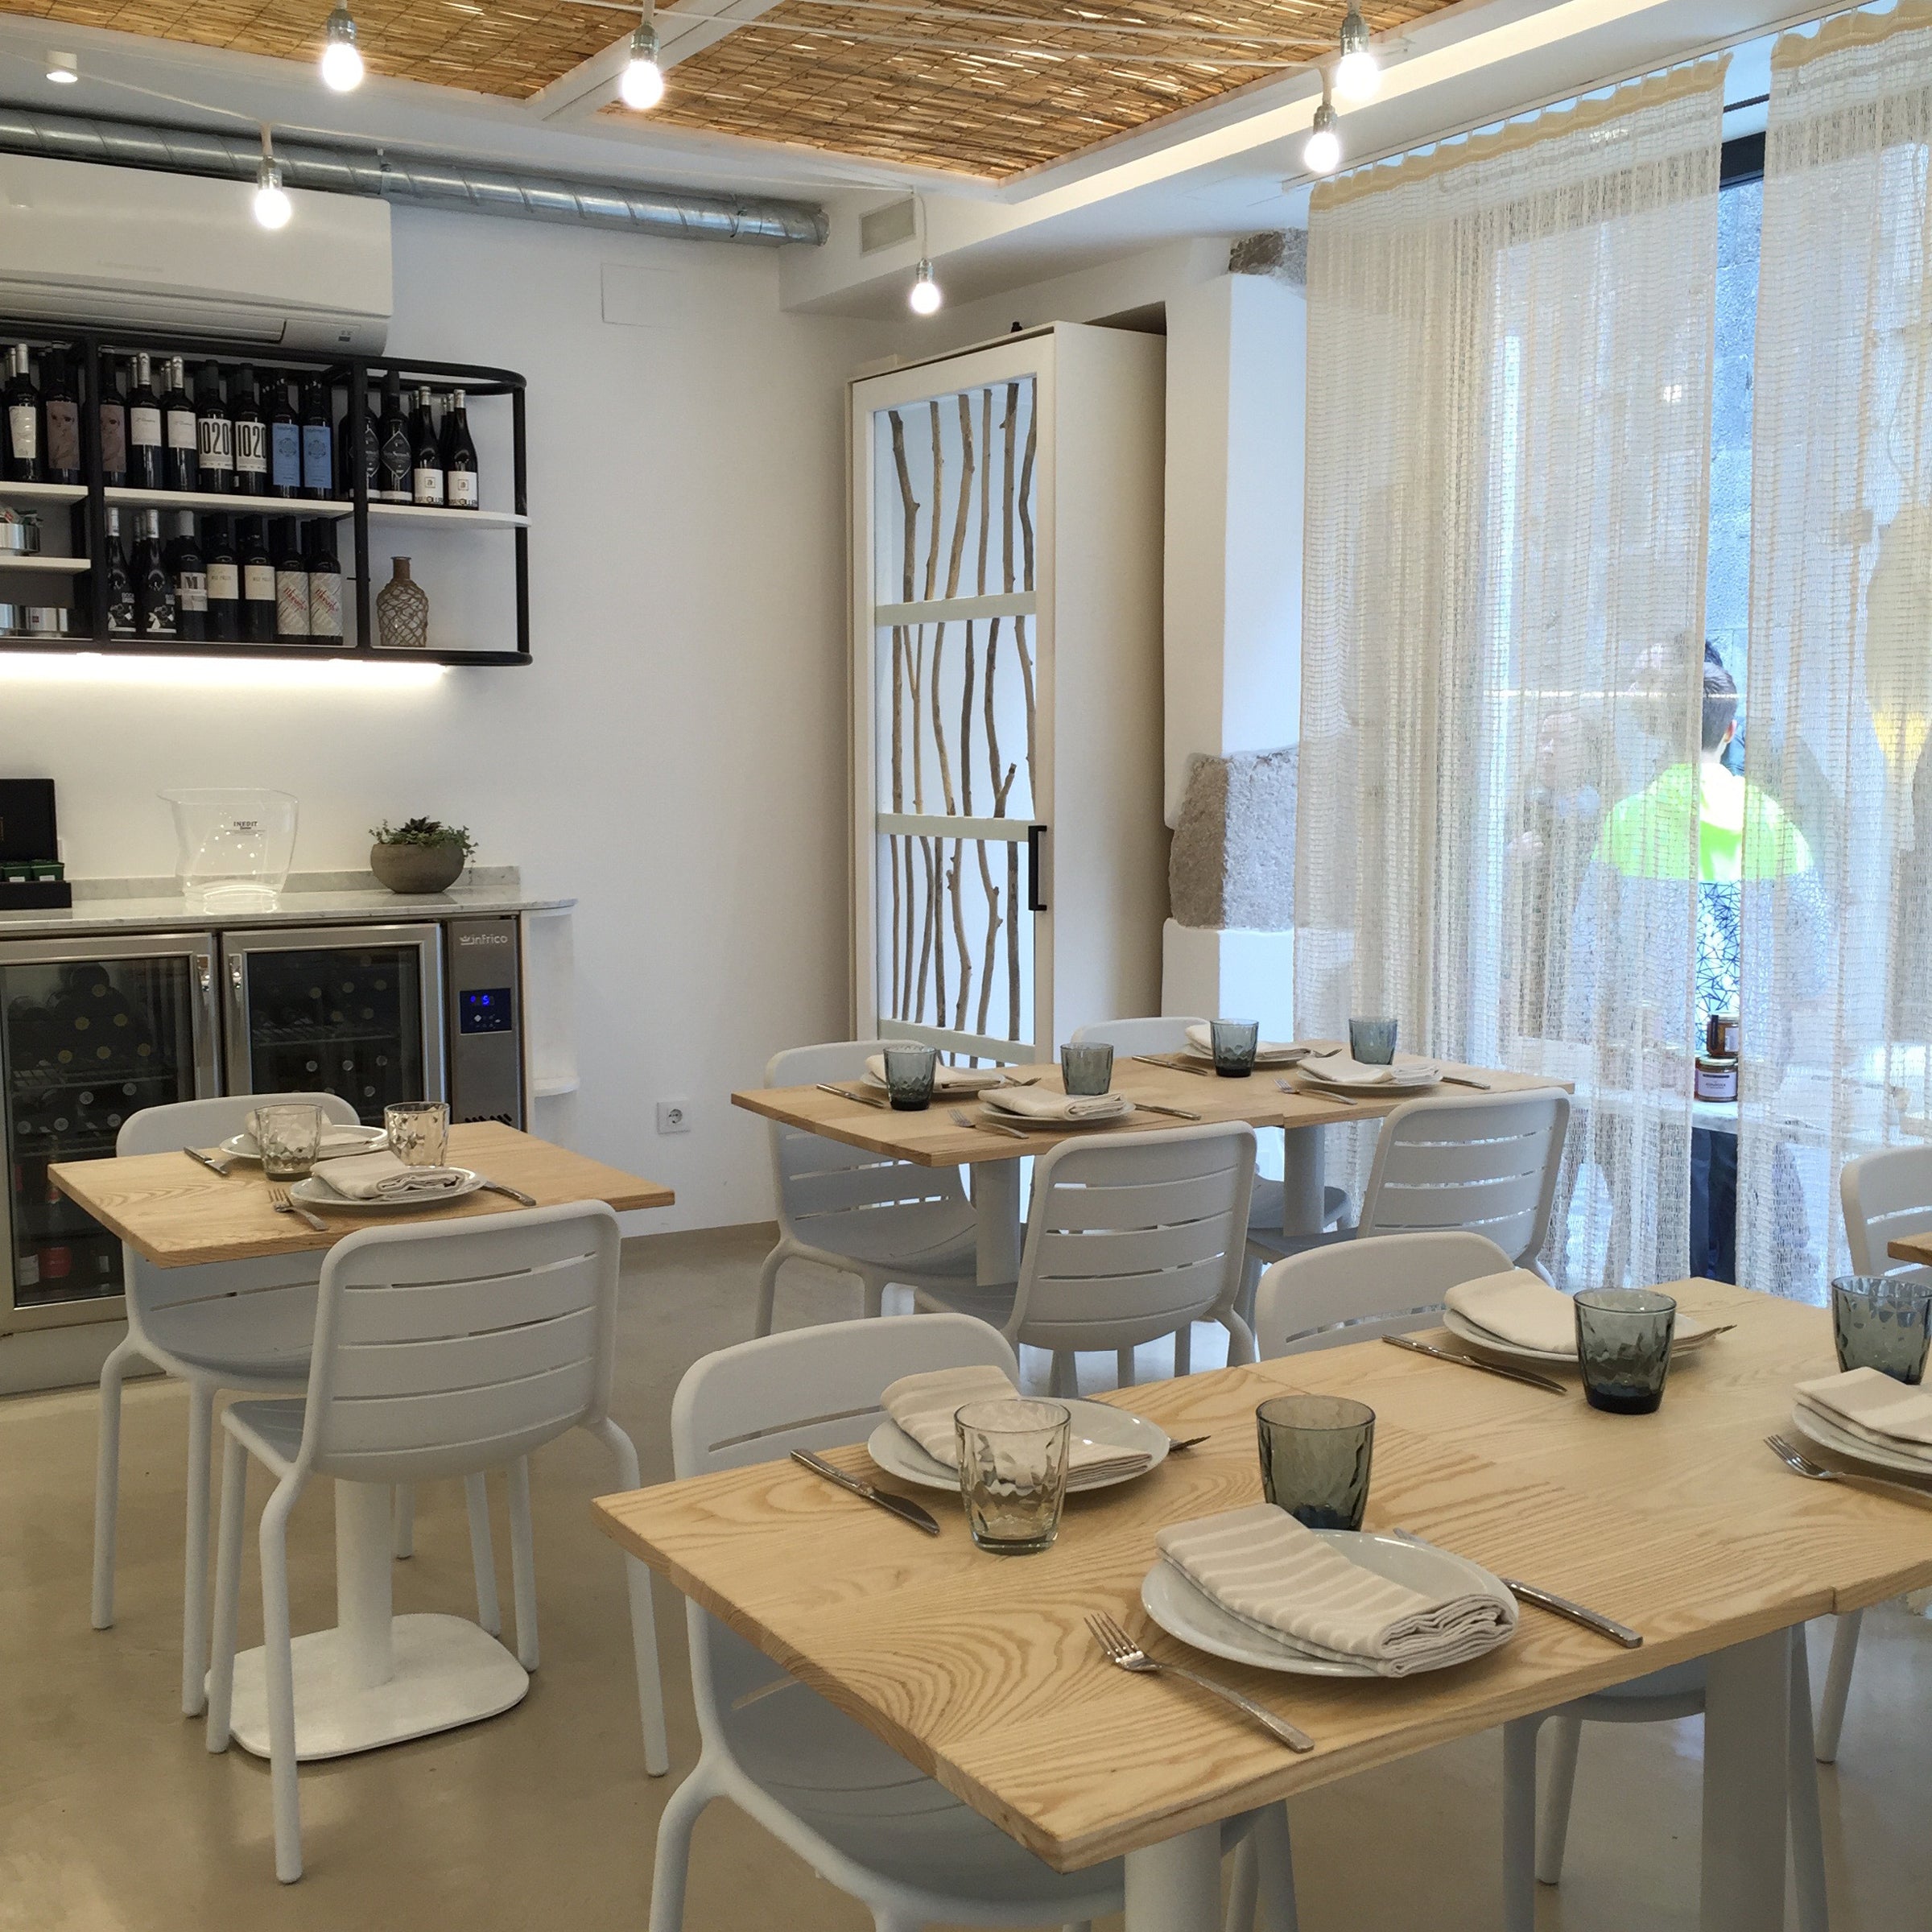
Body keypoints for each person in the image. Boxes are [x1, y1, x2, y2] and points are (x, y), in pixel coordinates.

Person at [1569, 654, 1825, 1285]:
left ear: (1663, 729)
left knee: (1667, 1218)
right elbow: (1812, 962)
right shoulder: (1771, 822)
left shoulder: (1629, 821)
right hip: (1745, 1057)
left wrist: (1590, 1032)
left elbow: (1586, 952)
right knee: (1744, 1214)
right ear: (1731, 732)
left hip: (1657, 1059)